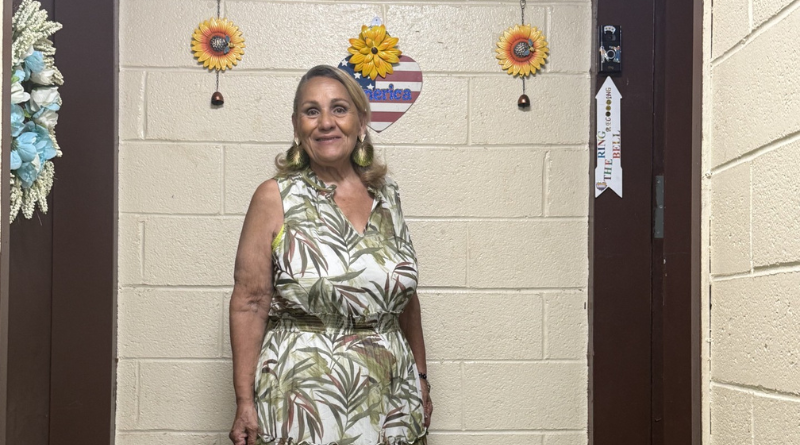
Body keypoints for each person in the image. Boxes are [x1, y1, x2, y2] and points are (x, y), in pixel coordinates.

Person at [229, 65, 433, 445]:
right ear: (296, 126)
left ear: (361, 122)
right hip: (303, 398)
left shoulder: (388, 197)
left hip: (393, 395)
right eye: (311, 111)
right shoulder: (274, 197)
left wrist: (420, 378)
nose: (326, 122)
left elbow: (405, 297)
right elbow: (250, 303)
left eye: (339, 109)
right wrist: (244, 401)